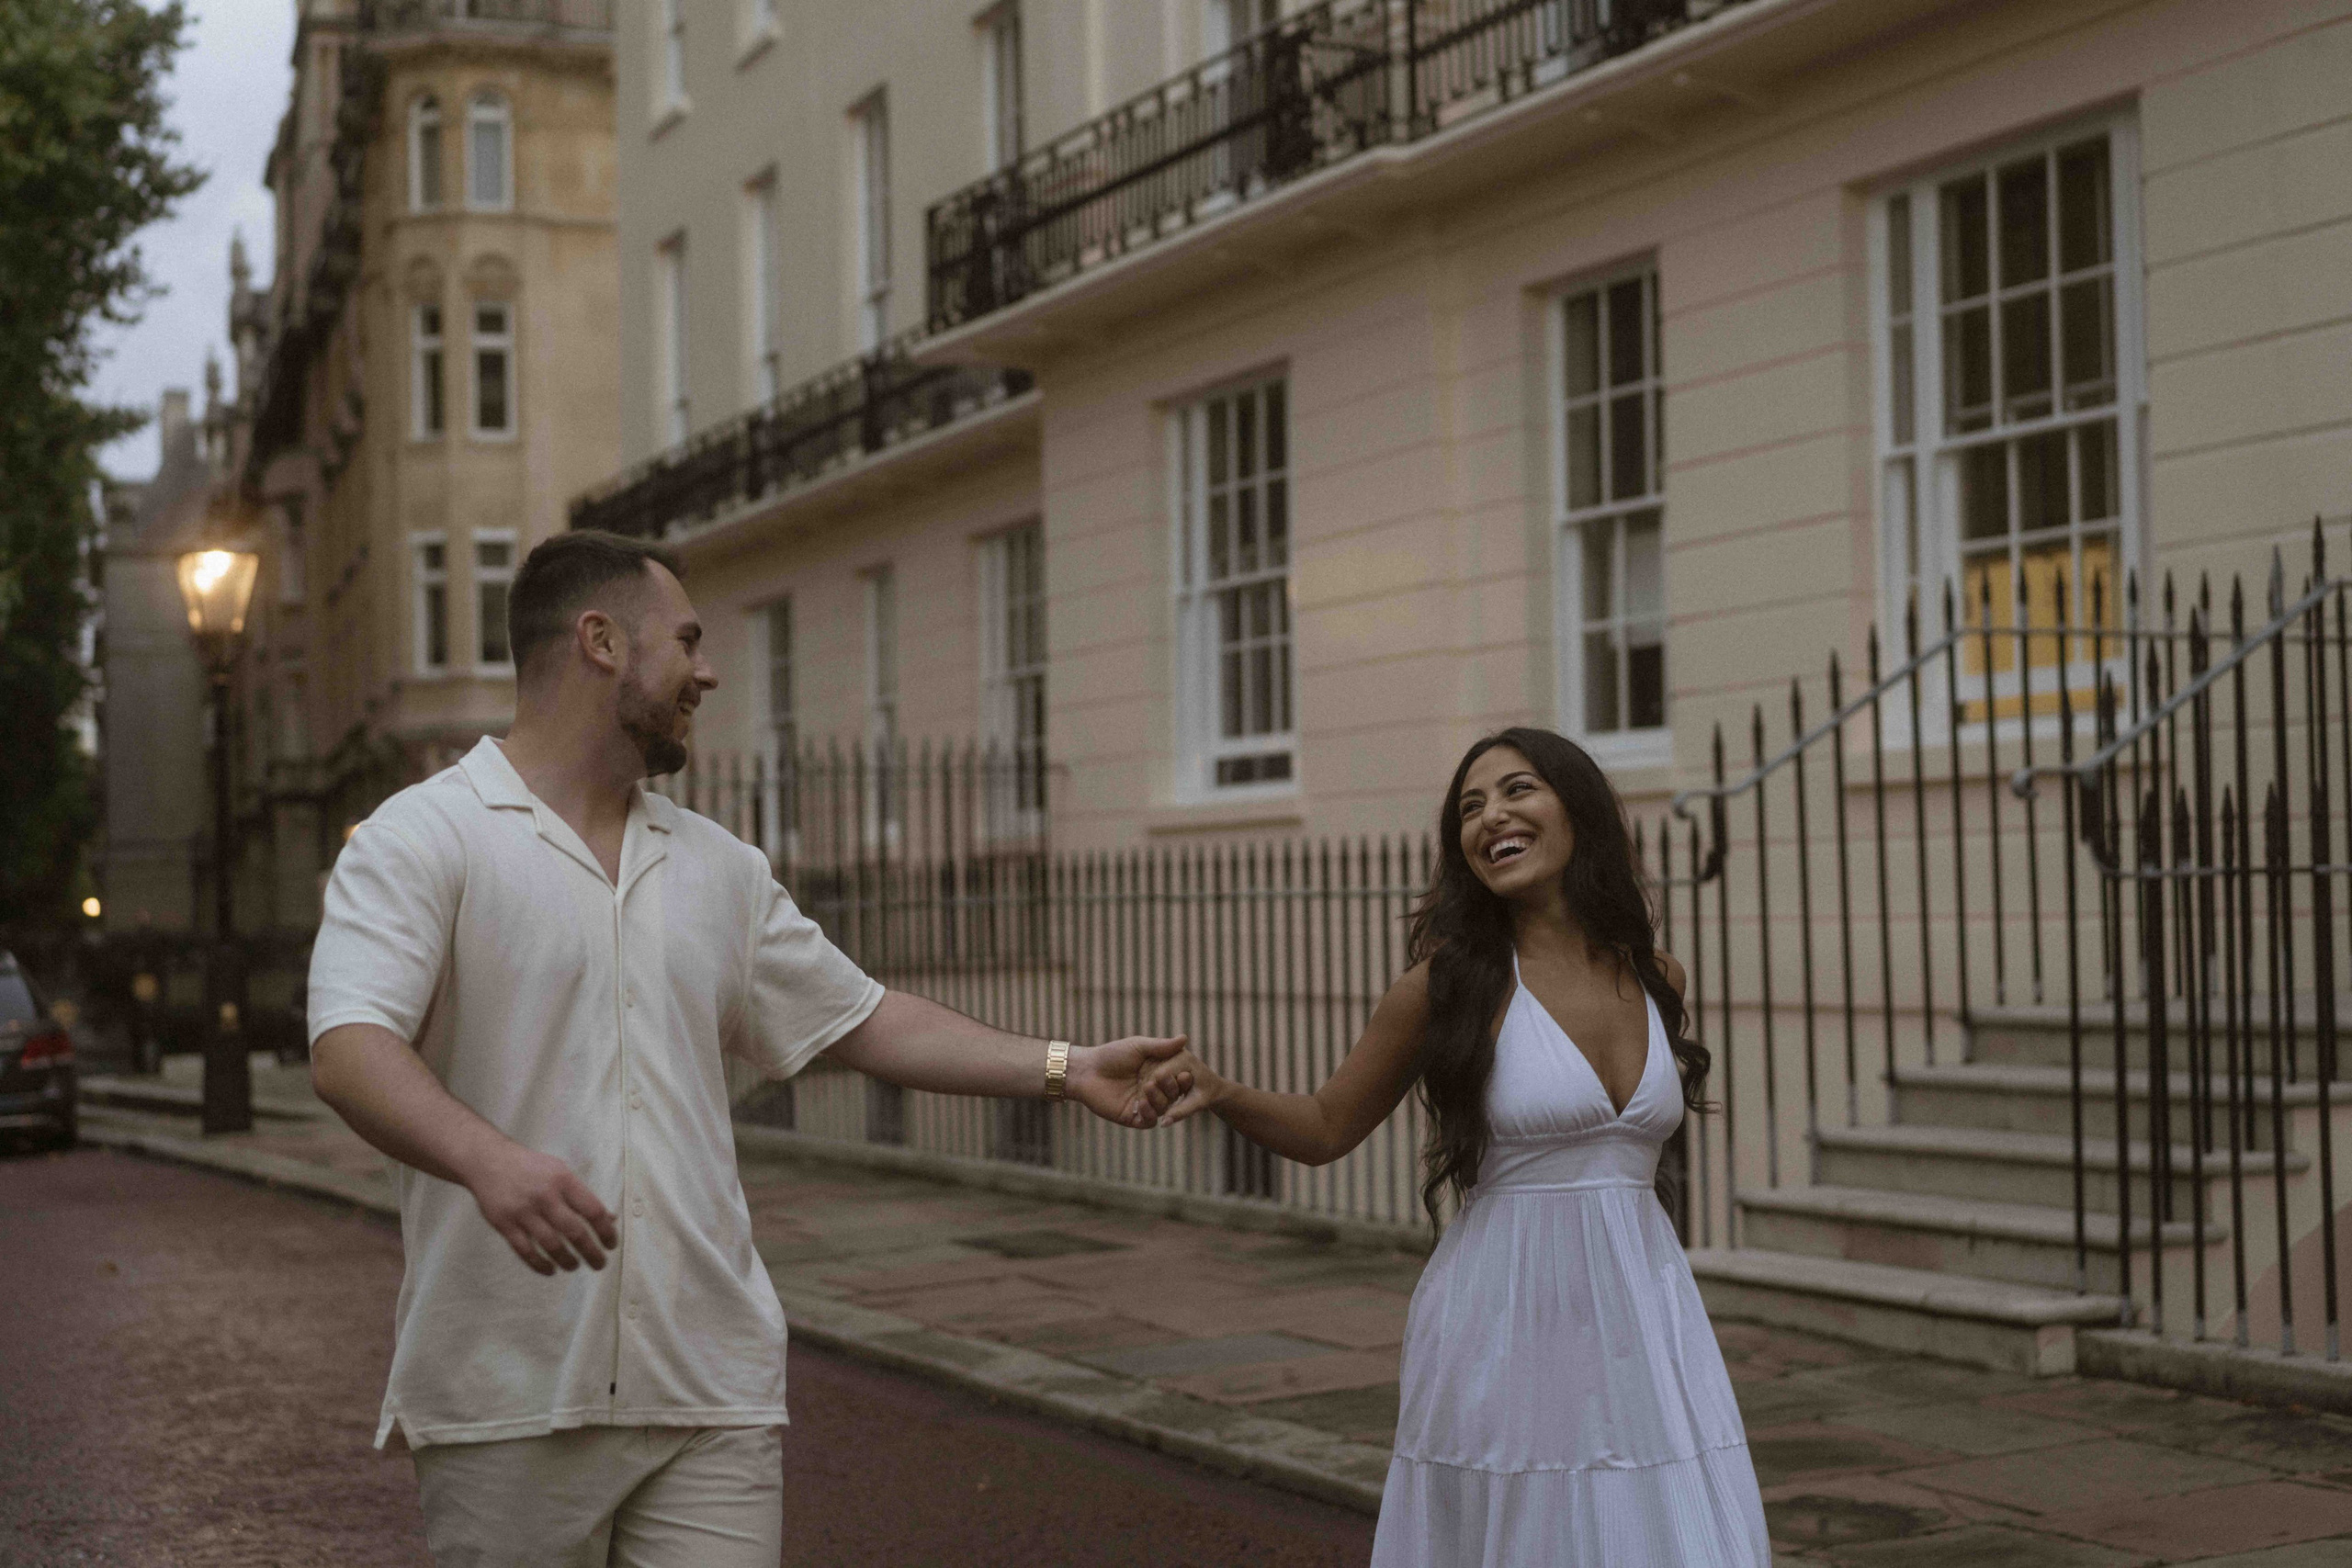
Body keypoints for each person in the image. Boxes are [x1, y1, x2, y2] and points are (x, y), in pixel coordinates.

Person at [306, 531, 1185, 1568]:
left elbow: (860, 1017)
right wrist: (489, 1161)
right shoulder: (424, 838)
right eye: (685, 640)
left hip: (711, 1387)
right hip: (508, 1392)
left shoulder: (716, 865)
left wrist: (1064, 1066)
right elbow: (351, 1045)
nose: (706, 671)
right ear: (599, 642)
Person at [1146, 728, 1770, 1565]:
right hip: (1505, 1311)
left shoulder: (1658, 975)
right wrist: (1222, 1091)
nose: (1492, 817)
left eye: (1518, 790)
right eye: (1470, 806)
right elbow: (1329, 1125)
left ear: (1577, 809)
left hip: (1646, 1309)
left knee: (1667, 1530)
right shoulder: (1445, 987)